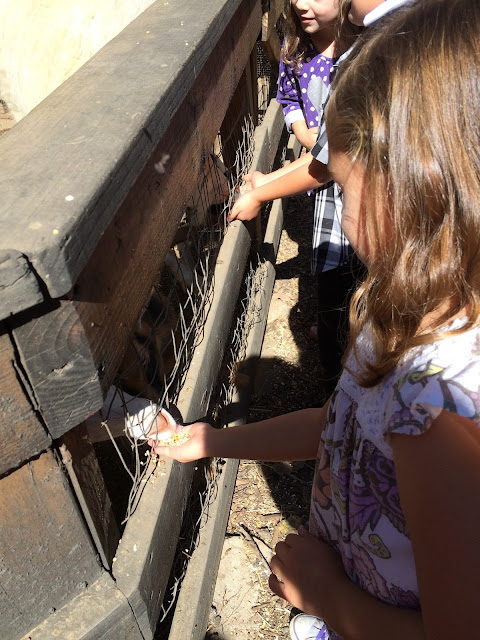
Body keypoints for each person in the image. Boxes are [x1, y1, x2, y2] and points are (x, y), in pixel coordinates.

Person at [151, 0, 480, 638]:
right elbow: (339, 425)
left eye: (345, 187)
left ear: (414, 188)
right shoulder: (395, 312)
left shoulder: (433, 413)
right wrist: (213, 441)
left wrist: (326, 594)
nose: (340, 210)